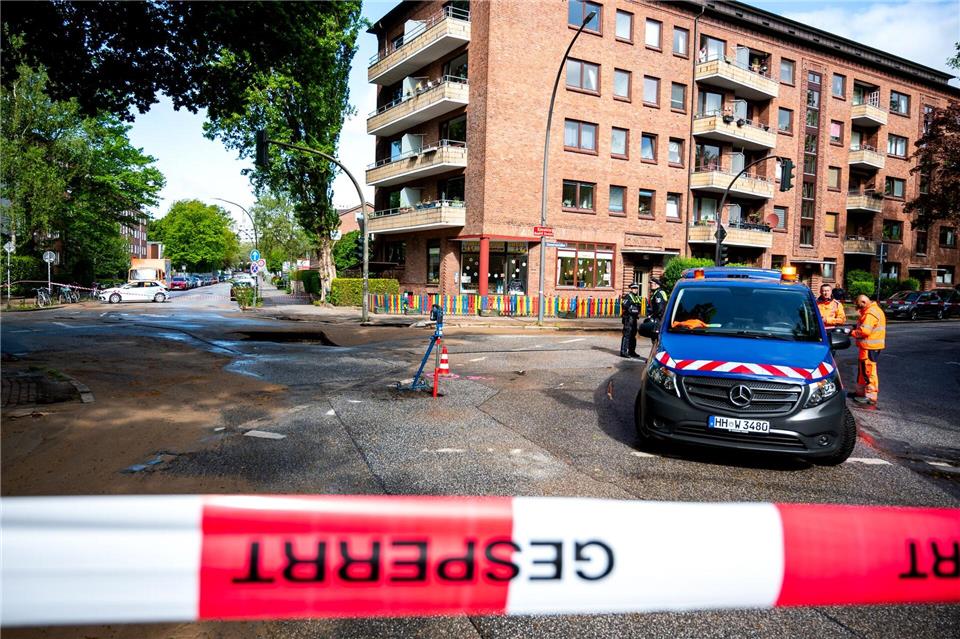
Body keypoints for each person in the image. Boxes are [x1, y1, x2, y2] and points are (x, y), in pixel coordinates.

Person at [850, 294, 886, 406]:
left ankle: (870, 397)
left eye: (859, 306)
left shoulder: (870, 313)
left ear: (864, 302)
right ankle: (860, 393)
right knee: (863, 371)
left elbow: (865, 331)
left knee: (869, 372)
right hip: (868, 347)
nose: (858, 309)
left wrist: (852, 332)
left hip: (869, 347)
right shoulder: (873, 310)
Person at [620, 283, 643, 358]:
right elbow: (624, 305)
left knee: (633, 335)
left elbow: (638, 307)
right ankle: (623, 351)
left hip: (634, 319)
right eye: (634, 288)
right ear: (631, 289)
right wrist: (631, 309)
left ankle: (632, 351)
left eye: (636, 288)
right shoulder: (628, 296)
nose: (635, 290)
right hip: (628, 318)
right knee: (627, 335)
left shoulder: (637, 297)